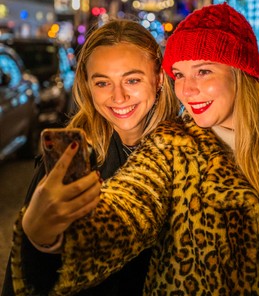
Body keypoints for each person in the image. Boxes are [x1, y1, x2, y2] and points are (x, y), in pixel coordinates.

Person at [10, 3, 259, 295]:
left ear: (241, 72)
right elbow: (127, 210)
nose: (187, 89)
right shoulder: (171, 147)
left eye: (204, 71)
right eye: (180, 75)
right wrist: (44, 235)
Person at [2, 19, 179, 296]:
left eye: (132, 80)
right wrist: (37, 239)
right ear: (87, 85)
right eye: (102, 82)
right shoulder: (70, 161)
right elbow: (29, 282)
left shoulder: (188, 157)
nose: (118, 96)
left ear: (158, 80)